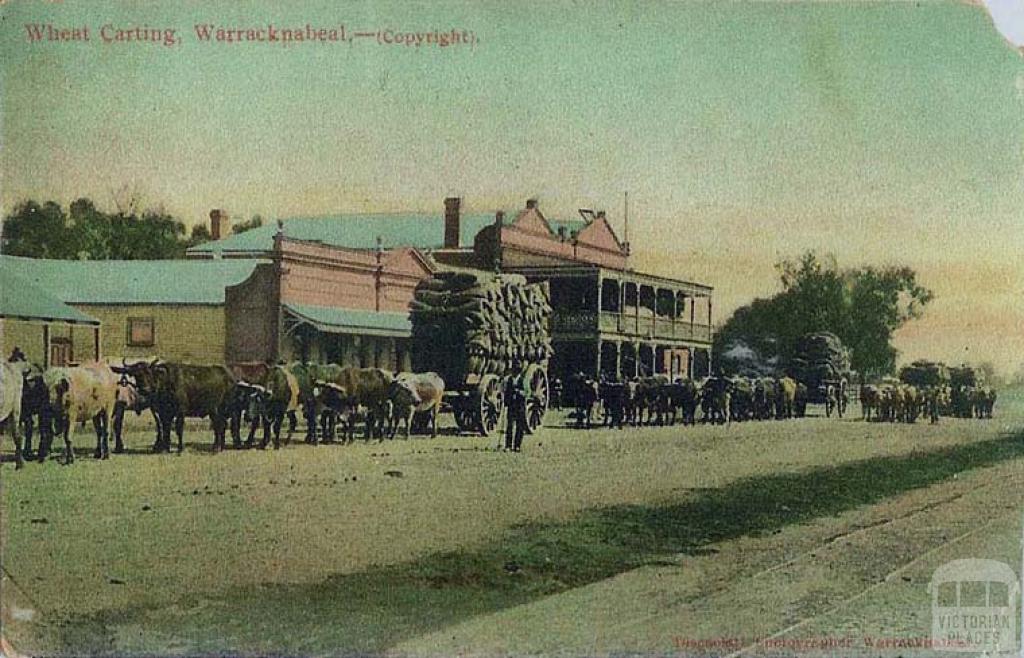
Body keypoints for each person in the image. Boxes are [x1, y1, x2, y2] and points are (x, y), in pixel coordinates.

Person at [504, 363, 528, 452]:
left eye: (516, 371)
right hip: (511, 405)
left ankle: (517, 445)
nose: (514, 372)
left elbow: (527, 392)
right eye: (513, 370)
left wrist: (519, 392)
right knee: (509, 425)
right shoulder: (509, 380)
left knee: (519, 426)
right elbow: (506, 392)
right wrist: (505, 401)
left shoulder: (523, 380)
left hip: (520, 406)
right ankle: (508, 445)